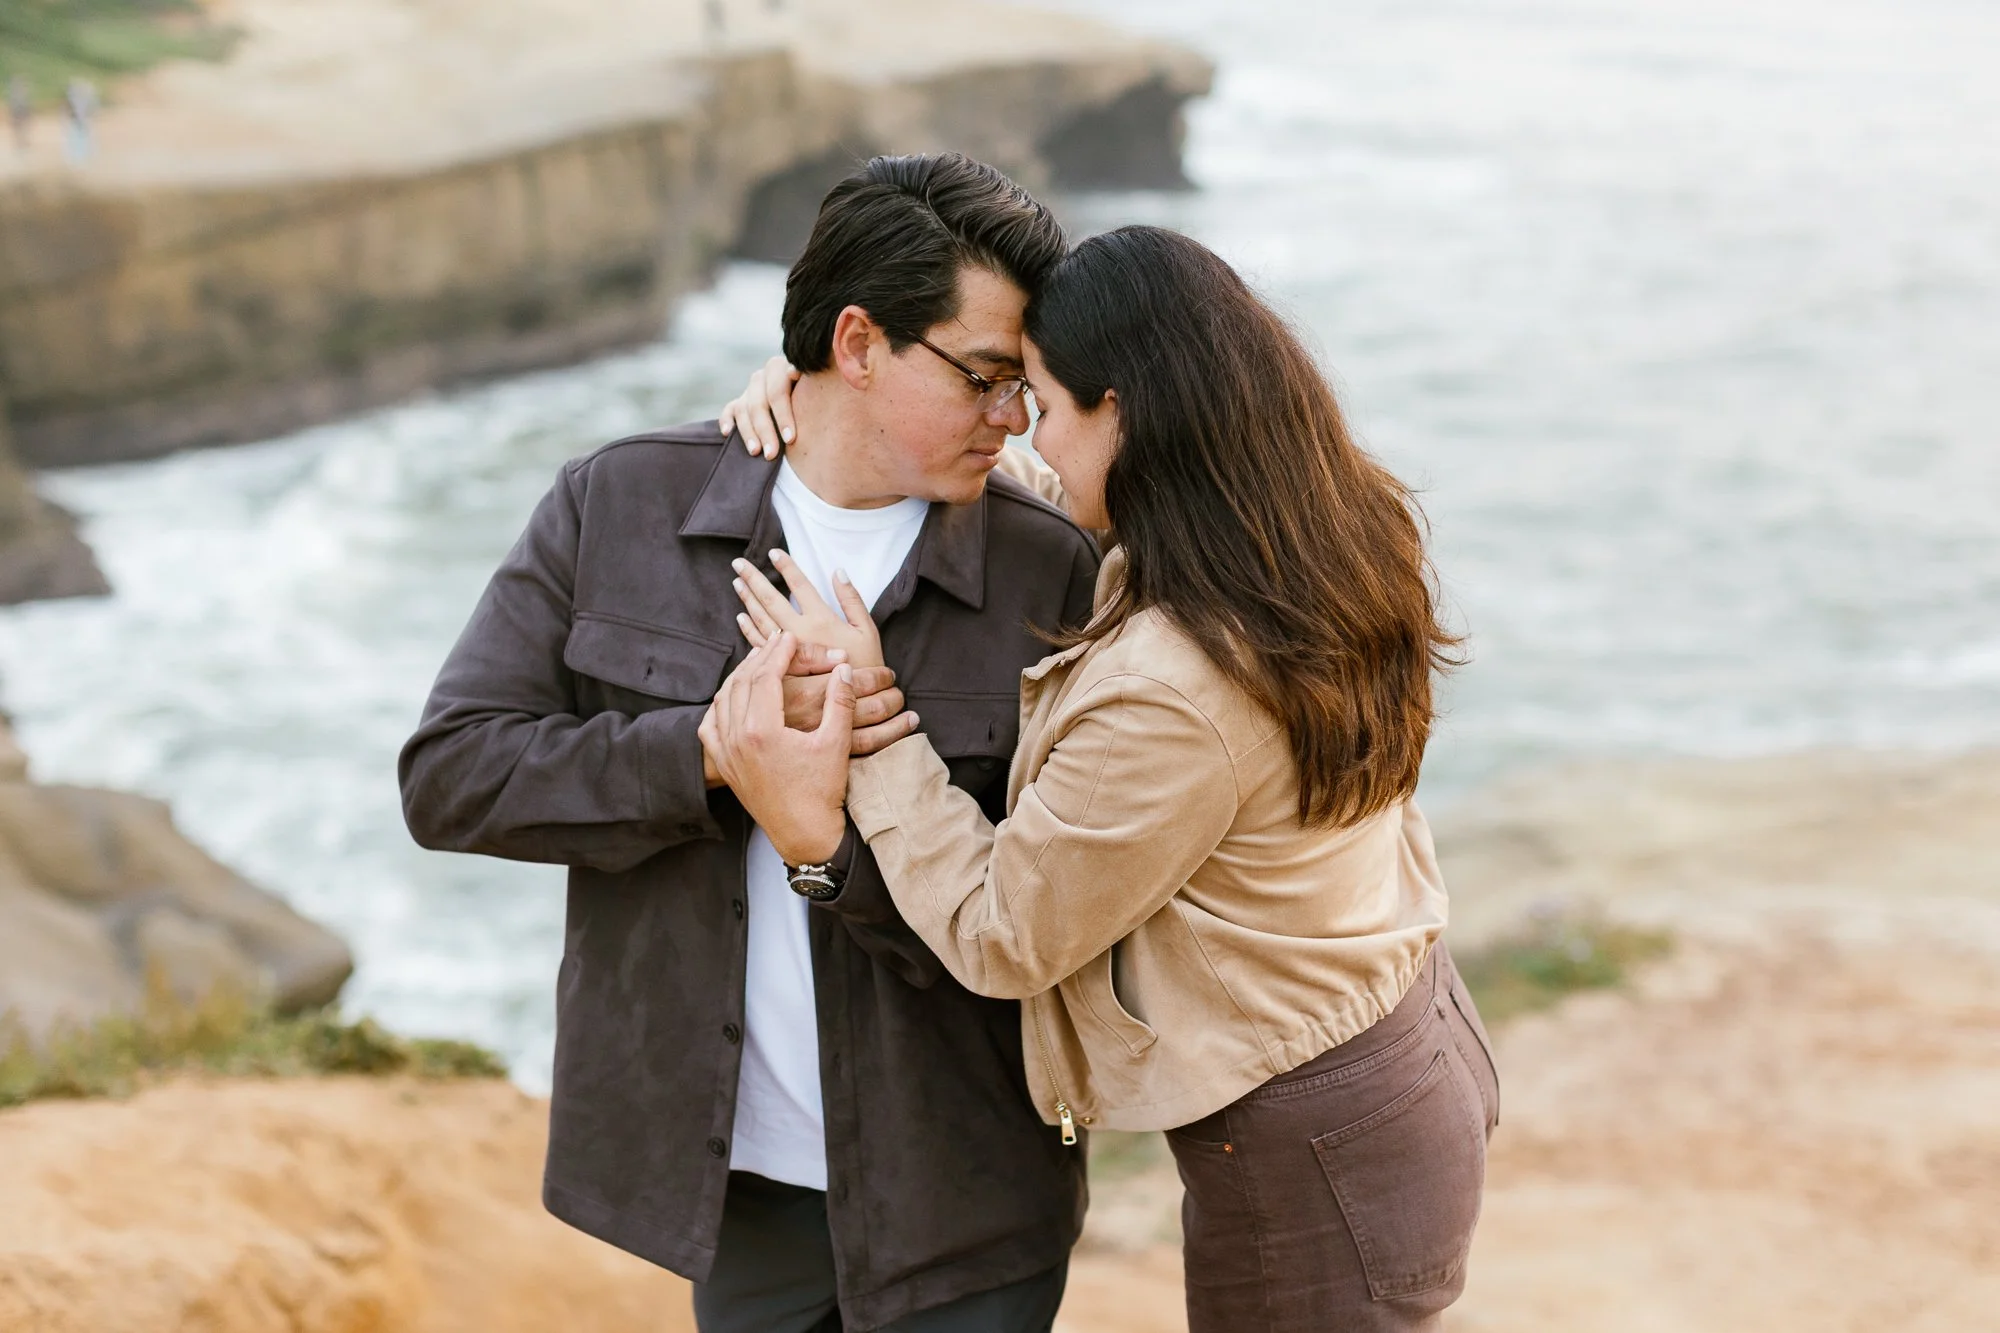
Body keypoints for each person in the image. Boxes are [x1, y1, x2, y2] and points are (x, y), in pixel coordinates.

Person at [707, 224, 1502, 1332]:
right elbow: (1080, 491)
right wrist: (834, 396)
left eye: (1034, 398)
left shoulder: (1177, 688)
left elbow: (1001, 935)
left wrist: (878, 726)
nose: (1016, 428)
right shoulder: (1306, 531)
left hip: (1306, 1146)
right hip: (1399, 1048)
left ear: (1121, 410)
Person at [400, 154, 1102, 1332]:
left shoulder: (1053, 568)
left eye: (1023, 385)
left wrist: (824, 830)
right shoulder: (617, 504)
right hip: (741, 1191)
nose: (1012, 419)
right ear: (858, 341)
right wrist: (712, 756)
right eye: (983, 377)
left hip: (971, 1190)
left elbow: (1054, 921)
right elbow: (451, 775)